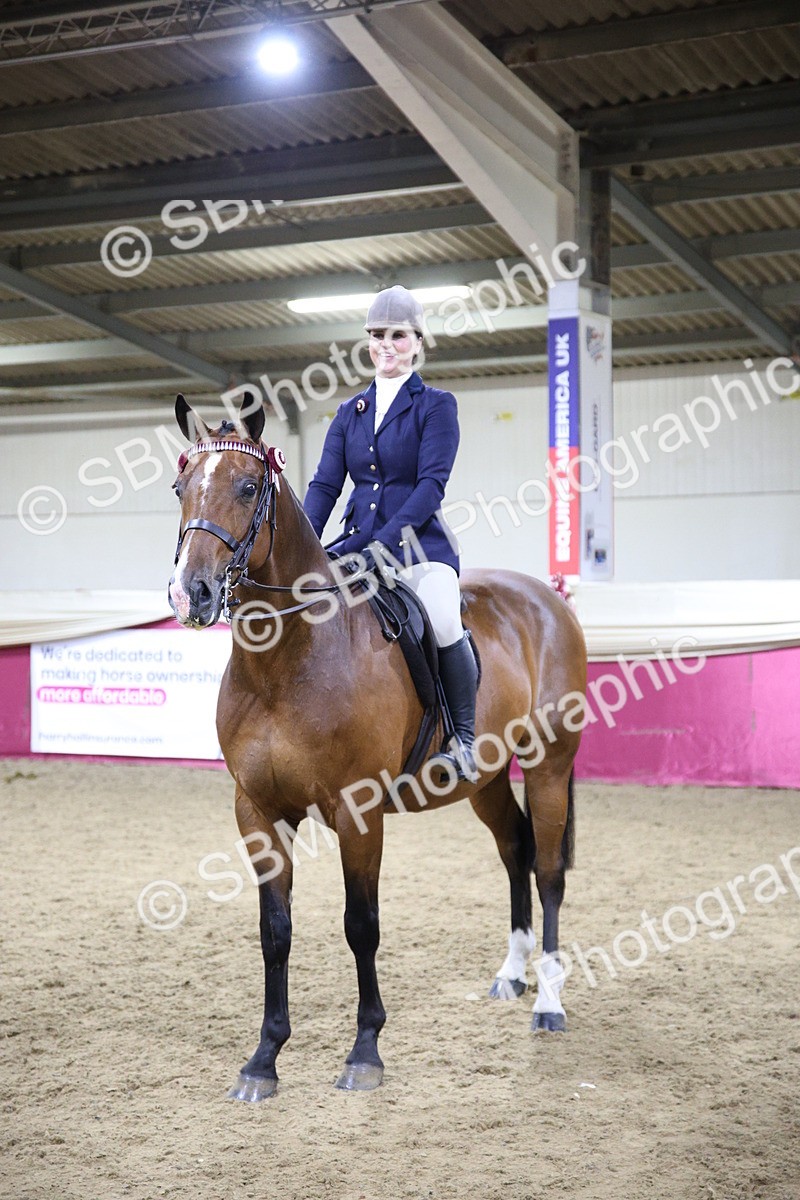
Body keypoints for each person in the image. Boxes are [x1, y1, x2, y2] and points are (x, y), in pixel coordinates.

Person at [303, 285, 478, 783]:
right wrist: (307, 548)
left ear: (418, 341)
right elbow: (324, 486)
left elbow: (430, 487)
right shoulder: (348, 414)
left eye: (397, 336)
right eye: (377, 335)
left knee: (443, 617)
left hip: (420, 546)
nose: (386, 345)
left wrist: (384, 541)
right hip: (355, 545)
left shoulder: (437, 406)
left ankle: (463, 739)